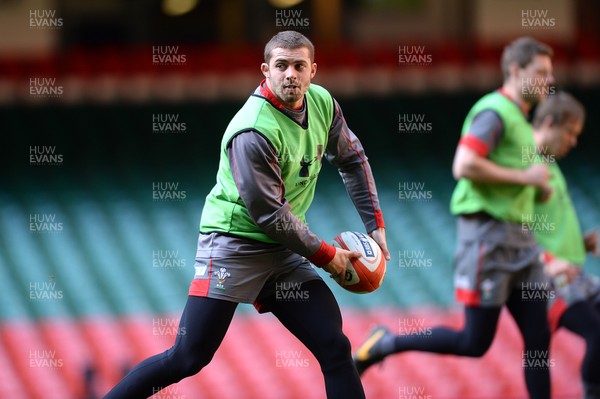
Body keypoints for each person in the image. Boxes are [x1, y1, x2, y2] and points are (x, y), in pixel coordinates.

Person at [104, 30, 390, 399]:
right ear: (265, 70)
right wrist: (328, 257)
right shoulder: (252, 130)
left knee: (334, 347)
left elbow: (352, 159)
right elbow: (269, 215)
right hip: (234, 245)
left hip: (285, 251)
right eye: (281, 65)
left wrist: (377, 228)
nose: (290, 74)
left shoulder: (323, 105)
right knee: (188, 358)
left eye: (299, 66)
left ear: (313, 70)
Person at [354, 36, 554, 399]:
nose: (547, 80)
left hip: (522, 242)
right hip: (489, 240)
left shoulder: (524, 122)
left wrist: (536, 188)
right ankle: (387, 344)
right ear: (515, 70)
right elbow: (464, 165)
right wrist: (526, 178)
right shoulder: (494, 111)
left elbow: (514, 177)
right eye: (540, 72)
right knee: (474, 342)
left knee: (538, 340)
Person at [530, 91, 600, 399]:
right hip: (549, 280)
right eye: (570, 133)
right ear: (549, 123)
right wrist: (546, 262)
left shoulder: (550, 165)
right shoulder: (524, 166)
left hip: (573, 272)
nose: (573, 141)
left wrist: (581, 244)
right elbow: (509, 225)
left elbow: (547, 226)